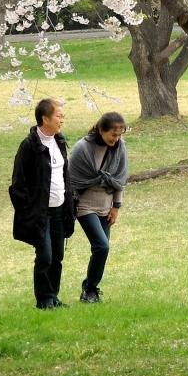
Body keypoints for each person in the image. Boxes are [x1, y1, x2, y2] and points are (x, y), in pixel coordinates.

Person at [9, 98, 76, 309]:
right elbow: (18, 184)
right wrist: (28, 210)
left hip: (60, 209)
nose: (62, 120)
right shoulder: (29, 146)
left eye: (62, 116)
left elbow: (64, 175)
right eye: (58, 116)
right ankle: (44, 299)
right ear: (45, 118)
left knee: (57, 255)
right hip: (40, 212)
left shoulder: (60, 141)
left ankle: (53, 297)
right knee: (45, 255)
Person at [68, 111, 130, 303]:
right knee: (102, 246)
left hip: (106, 206)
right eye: (113, 134)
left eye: (119, 135)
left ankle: (90, 289)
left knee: (102, 250)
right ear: (101, 130)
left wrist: (116, 206)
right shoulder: (83, 148)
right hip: (85, 205)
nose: (116, 139)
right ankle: (89, 289)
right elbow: (72, 180)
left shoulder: (120, 147)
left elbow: (119, 179)